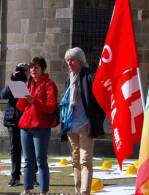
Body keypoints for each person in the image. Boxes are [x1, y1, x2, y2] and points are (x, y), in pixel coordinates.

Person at [60, 47, 105, 195]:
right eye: (67, 60)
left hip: (85, 125)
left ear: (80, 60)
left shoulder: (90, 77)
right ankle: (77, 191)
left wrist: (96, 119)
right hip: (71, 126)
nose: (69, 63)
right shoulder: (69, 79)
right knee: (75, 161)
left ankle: (84, 192)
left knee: (86, 162)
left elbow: (101, 101)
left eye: (72, 59)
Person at [17, 57, 58, 195]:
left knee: (41, 160)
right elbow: (21, 108)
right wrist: (22, 97)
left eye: (36, 67)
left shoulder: (49, 84)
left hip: (41, 126)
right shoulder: (28, 84)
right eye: (32, 67)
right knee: (28, 160)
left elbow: (51, 107)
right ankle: (27, 189)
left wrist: (35, 101)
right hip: (25, 126)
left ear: (42, 69)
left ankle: (44, 191)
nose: (33, 70)